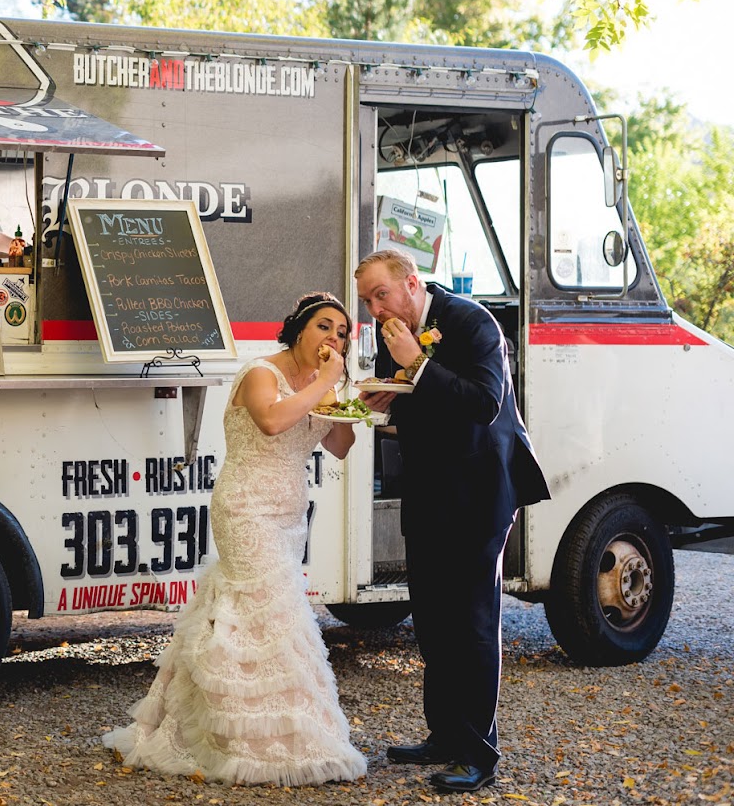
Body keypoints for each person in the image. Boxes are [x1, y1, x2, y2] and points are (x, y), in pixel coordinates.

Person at [104, 292, 368, 786]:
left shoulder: (320, 383)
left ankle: (201, 723)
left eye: (341, 334)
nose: (333, 338)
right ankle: (258, 742)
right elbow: (270, 422)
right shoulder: (261, 374)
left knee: (244, 614)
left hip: (290, 513)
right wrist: (327, 385)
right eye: (324, 327)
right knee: (276, 614)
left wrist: (350, 403)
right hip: (245, 508)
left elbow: (339, 445)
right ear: (298, 330)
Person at [354, 249, 550, 793]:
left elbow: (486, 402)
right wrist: (379, 401)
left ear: (412, 283)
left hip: (480, 489)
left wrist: (417, 362)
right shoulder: (392, 333)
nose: (374, 308)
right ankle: (444, 734)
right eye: (367, 300)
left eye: (381, 295)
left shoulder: (472, 321)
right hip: (428, 488)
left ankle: (478, 753)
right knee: (432, 615)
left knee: (471, 622)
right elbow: (407, 402)